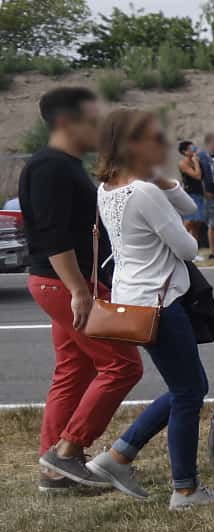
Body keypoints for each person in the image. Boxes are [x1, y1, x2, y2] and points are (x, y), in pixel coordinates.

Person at [86, 107, 214, 508]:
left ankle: (118, 456)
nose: (161, 144)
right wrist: (158, 190)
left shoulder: (109, 188)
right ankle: (184, 488)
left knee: (187, 387)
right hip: (162, 302)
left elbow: (185, 206)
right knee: (188, 392)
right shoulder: (144, 194)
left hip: (135, 300)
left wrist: (163, 180)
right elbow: (188, 246)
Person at [20, 86, 141, 494]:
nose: (100, 127)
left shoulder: (65, 164)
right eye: (92, 119)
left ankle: (55, 473)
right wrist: (79, 290)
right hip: (64, 283)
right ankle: (68, 453)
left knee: (75, 369)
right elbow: (53, 235)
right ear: (64, 122)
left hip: (68, 283)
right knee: (123, 366)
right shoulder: (49, 167)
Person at [177, 139, 207, 248]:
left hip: (199, 193)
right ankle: (178, 244)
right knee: (190, 221)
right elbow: (197, 176)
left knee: (197, 223)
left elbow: (203, 178)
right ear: (185, 152)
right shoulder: (183, 164)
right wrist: (195, 162)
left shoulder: (197, 161)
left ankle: (194, 249)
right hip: (190, 194)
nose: (194, 150)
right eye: (191, 149)